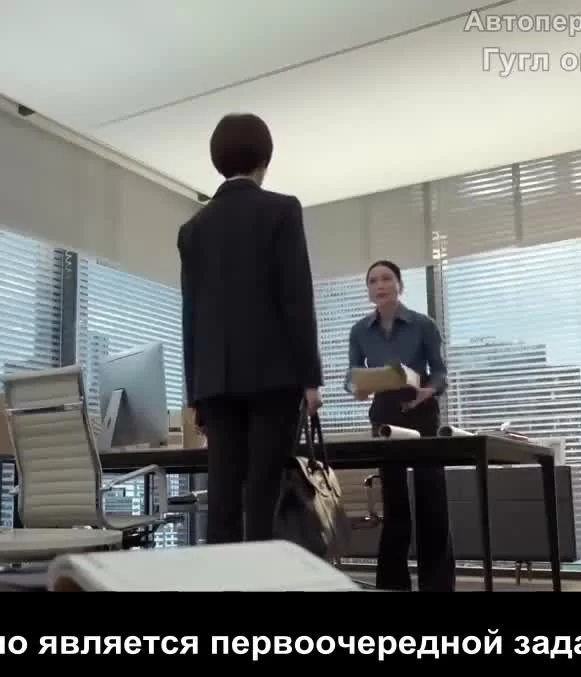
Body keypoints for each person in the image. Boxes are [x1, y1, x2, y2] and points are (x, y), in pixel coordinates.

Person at [178, 113, 324, 545]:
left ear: (217, 160)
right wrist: (310, 378)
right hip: (273, 379)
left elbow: (191, 314)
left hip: (216, 383)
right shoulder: (282, 210)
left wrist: (195, 394)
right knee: (264, 497)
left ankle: (222, 577)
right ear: (265, 160)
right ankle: (263, 576)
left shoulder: (193, 229)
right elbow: (296, 298)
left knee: (223, 498)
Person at [346, 260, 455, 592]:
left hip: (421, 412)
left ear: (399, 285)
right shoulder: (359, 331)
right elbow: (351, 375)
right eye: (373, 281)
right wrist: (357, 388)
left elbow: (440, 372)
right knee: (394, 502)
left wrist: (428, 390)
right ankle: (393, 586)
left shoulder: (423, 324)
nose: (379, 285)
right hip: (384, 414)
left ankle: (437, 585)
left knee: (430, 497)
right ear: (368, 290)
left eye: (386, 278)